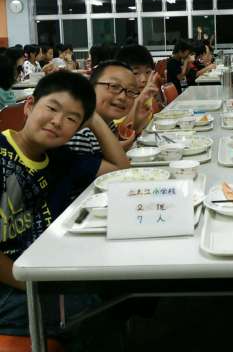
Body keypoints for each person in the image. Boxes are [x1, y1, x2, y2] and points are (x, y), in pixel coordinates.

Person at [0, 71, 122, 339]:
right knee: (91, 304)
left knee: (107, 285)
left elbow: (120, 170)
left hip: (40, 266)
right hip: (10, 284)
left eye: (71, 119)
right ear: (29, 105)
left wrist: (95, 120)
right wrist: (33, 284)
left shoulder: (59, 158)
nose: (57, 122)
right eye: (52, 108)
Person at [66, 60, 141, 156]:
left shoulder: (109, 123)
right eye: (114, 86)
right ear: (91, 87)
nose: (122, 97)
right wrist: (117, 151)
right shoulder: (81, 134)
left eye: (131, 91)